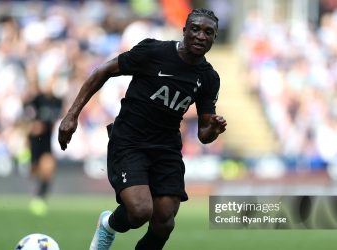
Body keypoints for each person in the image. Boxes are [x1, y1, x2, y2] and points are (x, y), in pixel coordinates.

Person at [58, 8, 227, 250]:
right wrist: (72, 115)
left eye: (208, 32)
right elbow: (104, 70)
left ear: (214, 38)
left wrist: (213, 129)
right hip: (130, 141)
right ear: (184, 30)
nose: (201, 36)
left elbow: (203, 134)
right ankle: (108, 225)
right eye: (196, 29)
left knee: (164, 222)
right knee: (140, 211)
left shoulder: (209, 78)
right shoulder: (154, 51)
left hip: (166, 148)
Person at [24, 81, 63, 216]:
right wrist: (32, 125)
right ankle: (35, 194)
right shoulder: (38, 99)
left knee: (48, 168)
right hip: (35, 141)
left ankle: (40, 198)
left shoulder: (58, 101)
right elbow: (27, 115)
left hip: (46, 140)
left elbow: (57, 118)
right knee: (34, 169)